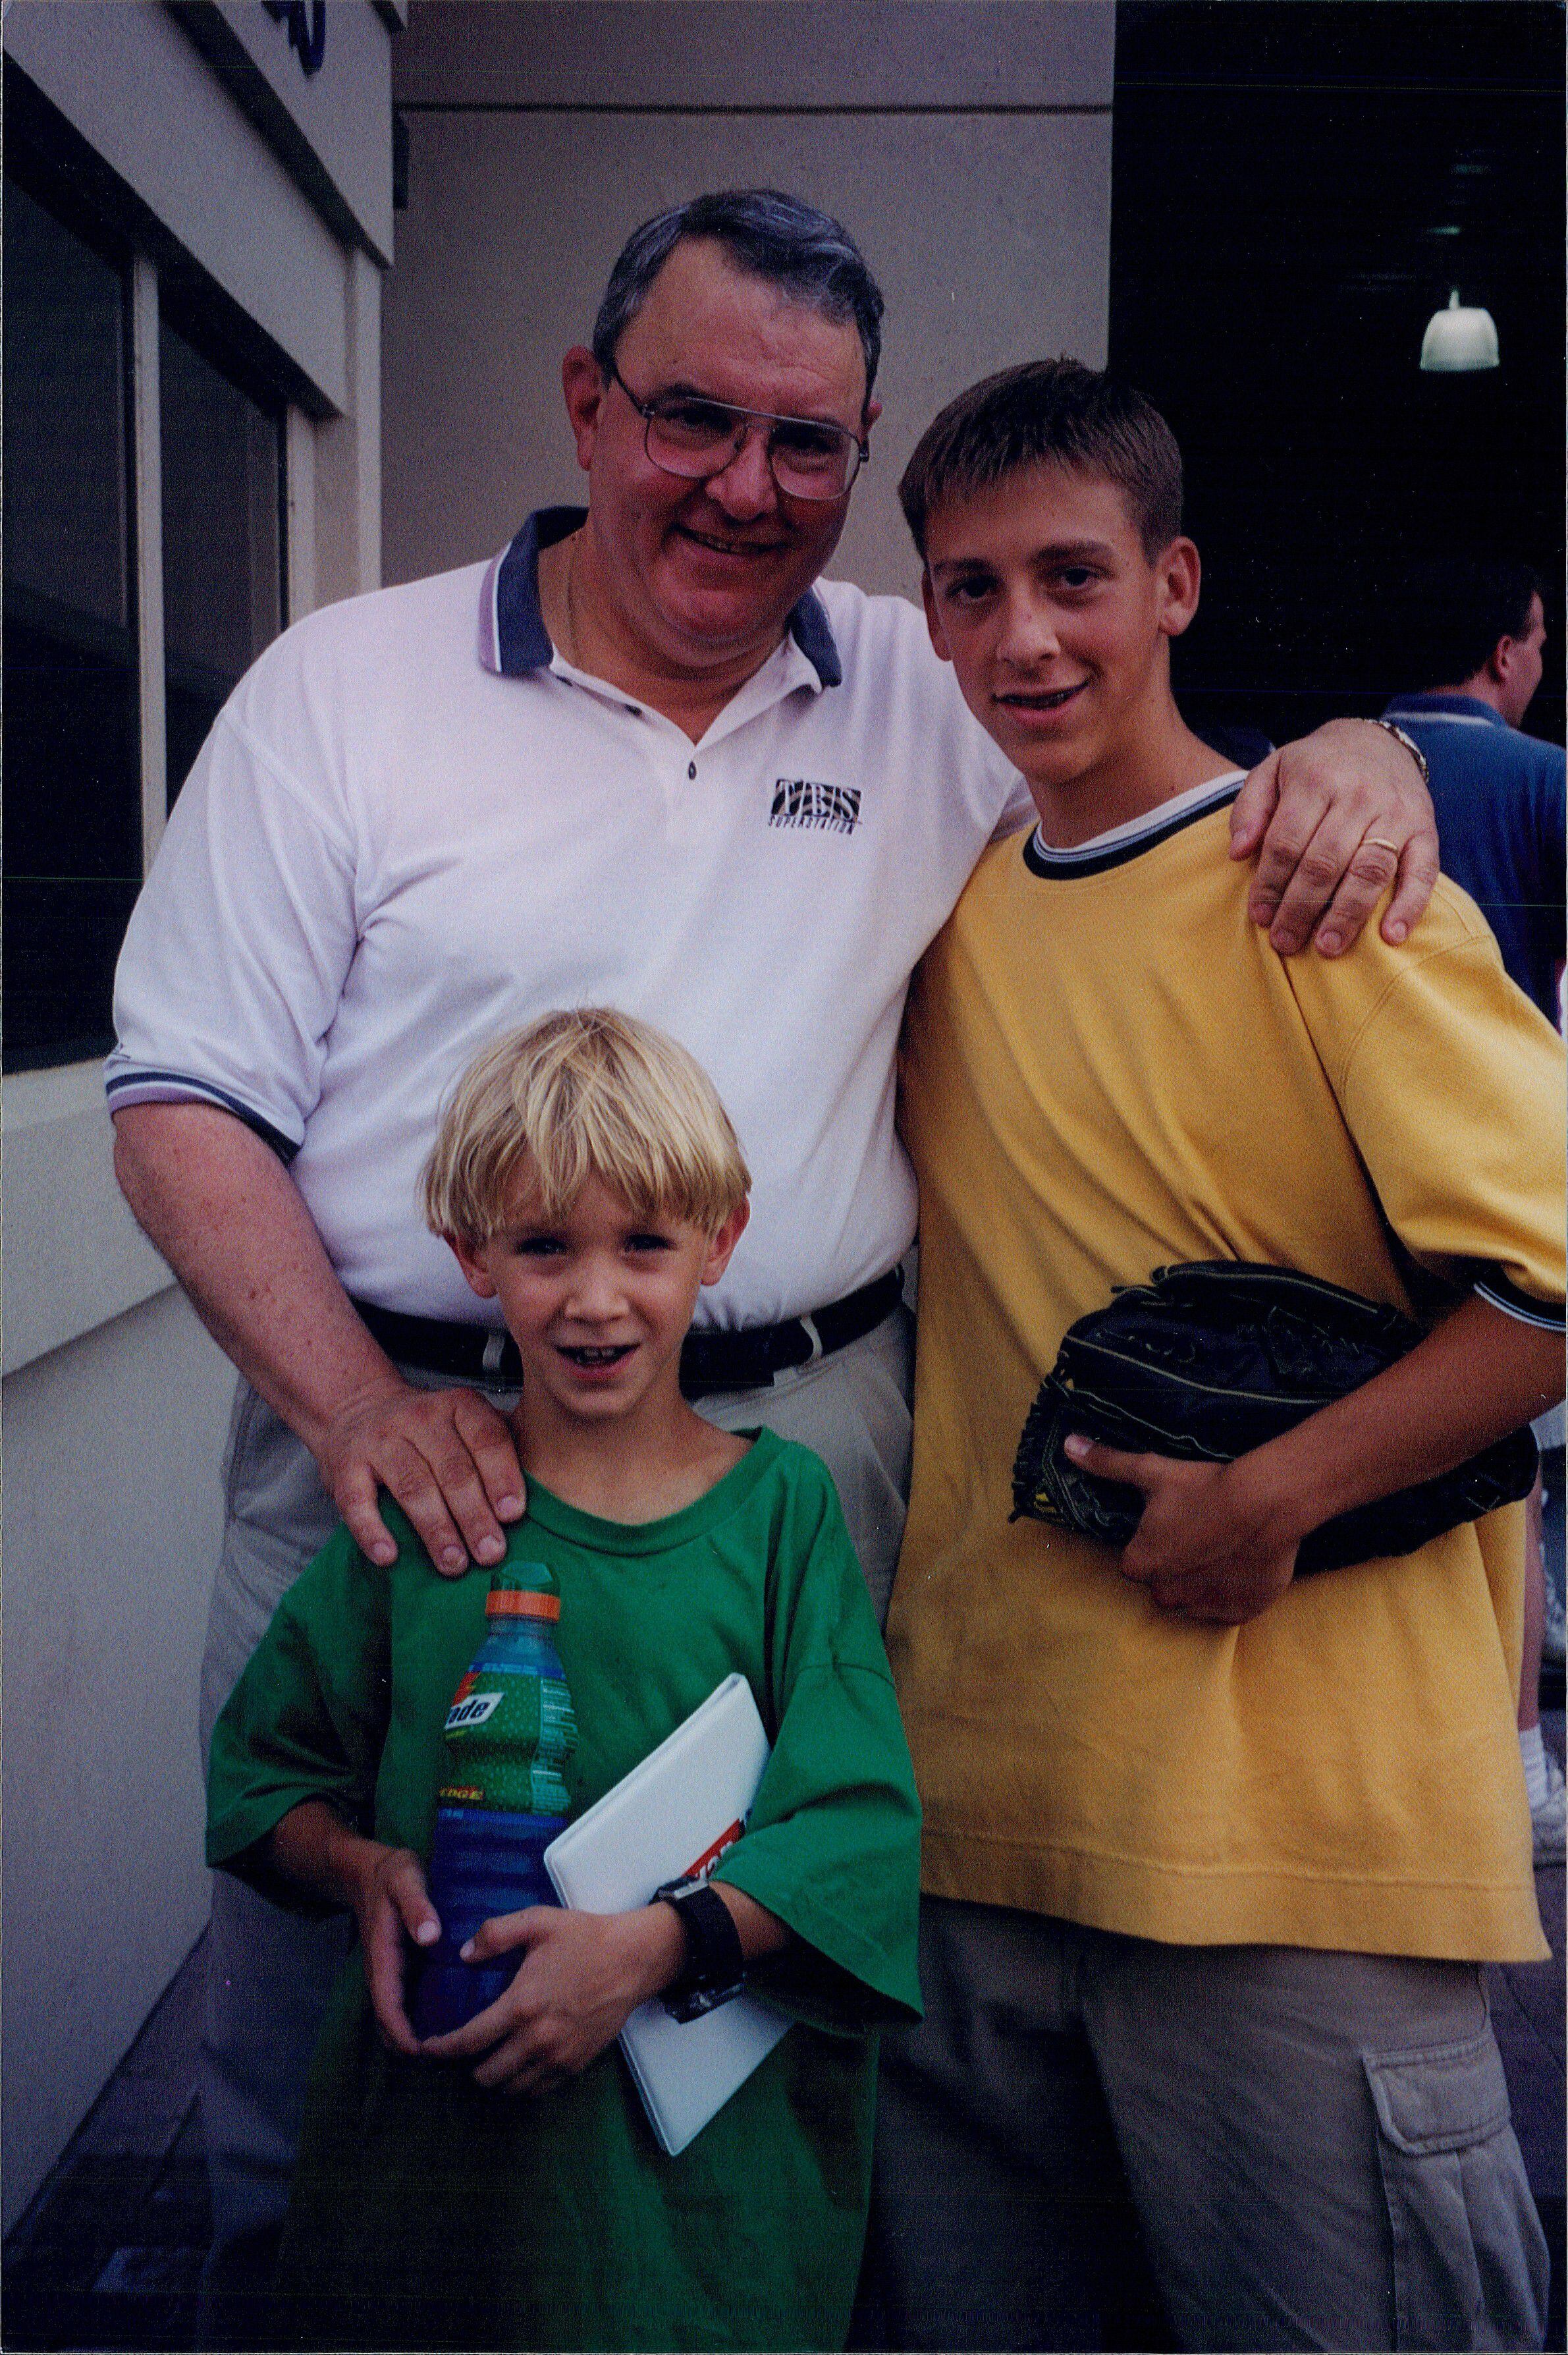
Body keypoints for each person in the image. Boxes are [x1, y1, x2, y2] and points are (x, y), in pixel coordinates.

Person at [105, 189, 1439, 2314]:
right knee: (359, 2014)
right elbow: (184, 1094)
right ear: (588, 401)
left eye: (805, 445)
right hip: (414, 1444)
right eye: (692, 419)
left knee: (758, 2012)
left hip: (812, 1457)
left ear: (863, 448)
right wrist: (353, 1400)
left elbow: (1164, 759)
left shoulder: (934, 679)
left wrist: (1374, 747)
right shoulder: (343, 692)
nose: (744, 486)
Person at [877, 360, 1564, 2352]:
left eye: (1071, 576)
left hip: (1295, 1869)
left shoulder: (1327, 893)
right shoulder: (951, 920)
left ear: (1172, 582)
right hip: (976, 1838)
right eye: (968, 587)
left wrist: (1273, 1490)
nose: (1021, 634)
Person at [205, 1008, 923, 2352]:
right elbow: (263, 1779)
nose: (597, 1297)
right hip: (443, 2169)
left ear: (723, 1239)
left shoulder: (782, 1519)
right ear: (472, 1253)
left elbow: (860, 1830)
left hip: (687, 2190)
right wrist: (358, 1869)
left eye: (644, 1244)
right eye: (545, 1247)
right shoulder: (433, 1521)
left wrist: (655, 1948)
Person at [1384, 559, 1567, 1866]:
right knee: (1512, 1472)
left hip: (1373, 1163)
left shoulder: (1333, 766)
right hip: (1512, 1163)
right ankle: (1520, 1764)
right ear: (1511, 650)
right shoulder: (1546, 780)